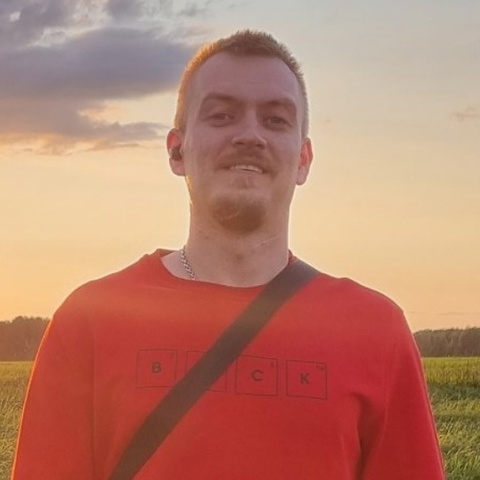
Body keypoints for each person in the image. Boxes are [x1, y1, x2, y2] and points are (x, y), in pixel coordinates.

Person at [12, 30, 445, 480]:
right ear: (177, 150)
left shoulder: (375, 330)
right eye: (221, 115)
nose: (249, 135)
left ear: (303, 159)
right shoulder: (89, 321)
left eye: (275, 120)